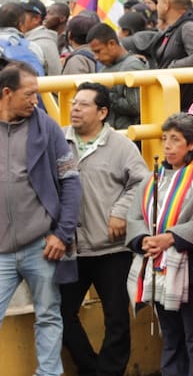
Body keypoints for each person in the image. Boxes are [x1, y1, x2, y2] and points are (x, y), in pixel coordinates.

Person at [57, 83, 148, 376]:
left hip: (112, 248)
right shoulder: (58, 141)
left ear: (103, 112)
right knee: (60, 314)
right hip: (72, 247)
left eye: (83, 105)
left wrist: (120, 212)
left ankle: (109, 371)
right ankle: (91, 368)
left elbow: (142, 182)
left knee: (117, 318)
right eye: (74, 104)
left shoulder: (121, 146)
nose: (75, 109)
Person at [0, 61, 81, 376]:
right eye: (29, 94)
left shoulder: (46, 127)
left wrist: (62, 234)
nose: (36, 100)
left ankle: (49, 374)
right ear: (7, 93)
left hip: (42, 244)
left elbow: (71, 181)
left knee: (49, 314)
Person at [126, 113, 193, 376]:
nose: (167, 146)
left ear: (191, 143)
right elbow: (135, 215)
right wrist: (145, 240)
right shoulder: (153, 177)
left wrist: (171, 237)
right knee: (171, 336)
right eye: (165, 139)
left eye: (175, 140)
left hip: (192, 267)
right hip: (159, 266)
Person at [86, 22, 147, 129]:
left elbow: (136, 106)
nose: (95, 57)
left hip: (127, 134)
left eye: (98, 51)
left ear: (112, 44)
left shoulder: (132, 66)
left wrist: (106, 96)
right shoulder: (106, 68)